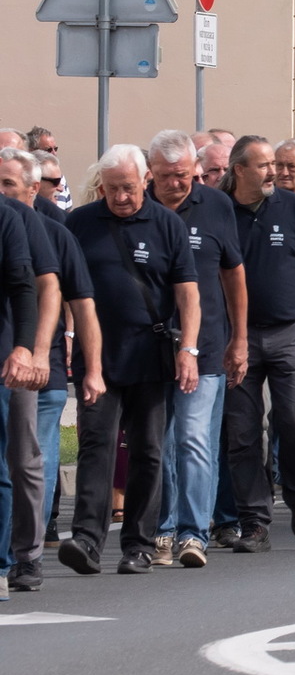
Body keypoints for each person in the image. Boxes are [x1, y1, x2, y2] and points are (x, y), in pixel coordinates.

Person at [60, 145, 201, 575]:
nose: (121, 197)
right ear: (100, 187)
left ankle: (138, 544)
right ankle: (86, 538)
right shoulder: (80, 224)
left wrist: (189, 350)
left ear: (144, 182)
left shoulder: (167, 225)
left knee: (148, 450)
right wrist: (68, 337)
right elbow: (65, 287)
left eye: (128, 187)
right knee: (96, 446)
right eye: (112, 189)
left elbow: (188, 293)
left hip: (150, 353)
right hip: (97, 356)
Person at [221, 135, 295, 549]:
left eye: (275, 164)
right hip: (238, 338)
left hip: (291, 332)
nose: (274, 172)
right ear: (238, 170)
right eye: (264, 165)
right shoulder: (219, 209)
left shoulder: (294, 207)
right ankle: (254, 521)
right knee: (243, 432)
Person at [147, 130, 246, 569]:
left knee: (193, 440)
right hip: (148, 348)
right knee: (161, 443)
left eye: (184, 175)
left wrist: (239, 339)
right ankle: (163, 529)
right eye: (166, 176)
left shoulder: (216, 206)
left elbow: (233, 276)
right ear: (151, 173)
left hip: (205, 347)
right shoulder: (138, 209)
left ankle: (194, 532)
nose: (176, 184)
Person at [0, 148, 97, 593]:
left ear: (32, 188)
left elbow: (52, 293)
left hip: (22, 361)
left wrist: (38, 353)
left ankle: (26, 555)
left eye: (7, 184)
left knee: (23, 461)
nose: (0, 192)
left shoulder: (48, 231)